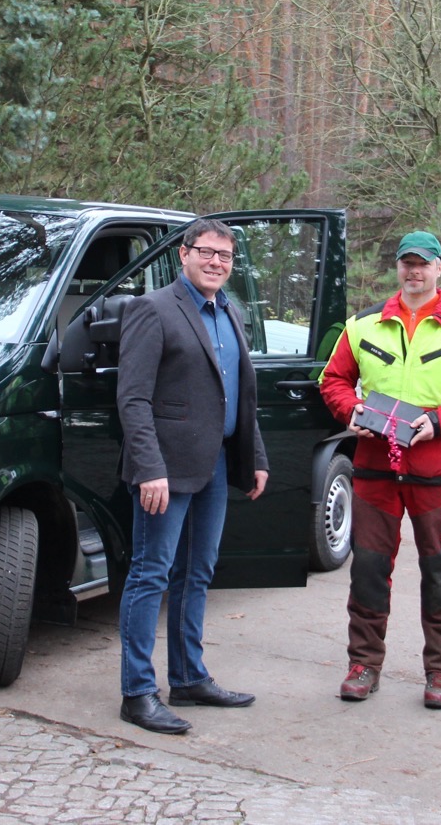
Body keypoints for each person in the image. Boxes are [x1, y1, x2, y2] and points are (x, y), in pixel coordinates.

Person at [318, 231, 441, 709]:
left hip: (438, 474)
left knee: (440, 572)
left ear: (440, 268)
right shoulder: (362, 326)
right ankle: (363, 665)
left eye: (423, 263)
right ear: (397, 268)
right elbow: (333, 380)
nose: (414, 271)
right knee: (367, 569)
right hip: (374, 472)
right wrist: (352, 413)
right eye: (406, 262)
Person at [114, 218, 269, 735]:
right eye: (206, 252)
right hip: (165, 472)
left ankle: (188, 678)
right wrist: (149, 469)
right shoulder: (153, 309)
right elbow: (132, 399)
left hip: (217, 466)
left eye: (225, 256)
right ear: (184, 255)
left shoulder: (232, 312)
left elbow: (241, 395)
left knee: (197, 574)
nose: (216, 263)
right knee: (149, 575)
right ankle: (137, 693)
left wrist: (258, 457)